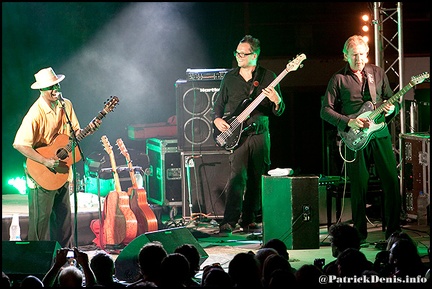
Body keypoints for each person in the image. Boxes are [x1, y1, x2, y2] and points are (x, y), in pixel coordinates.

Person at [320, 35, 401, 242]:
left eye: (363, 55)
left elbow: (393, 102)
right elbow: (325, 111)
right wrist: (348, 122)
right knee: (359, 186)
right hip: (354, 137)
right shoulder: (338, 79)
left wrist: (392, 108)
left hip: (379, 133)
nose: (360, 59)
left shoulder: (377, 73)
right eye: (355, 55)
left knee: (392, 181)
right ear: (345, 56)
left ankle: (393, 232)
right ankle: (359, 234)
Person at [13, 67, 101, 248]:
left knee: (64, 219)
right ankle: (37, 261)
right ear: (41, 90)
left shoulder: (66, 105)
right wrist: (45, 161)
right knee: (40, 223)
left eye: (56, 85)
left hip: (61, 171)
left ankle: (65, 257)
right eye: (50, 87)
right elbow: (19, 143)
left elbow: (74, 133)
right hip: (41, 172)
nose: (55, 90)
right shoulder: (35, 113)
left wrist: (89, 130)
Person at [212, 35, 285, 235]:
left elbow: (279, 110)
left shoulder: (268, 76)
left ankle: (249, 218)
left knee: (257, 177)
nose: (239, 57)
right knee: (237, 177)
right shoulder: (230, 78)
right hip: (238, 135)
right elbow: (218, 104)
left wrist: (277, 100)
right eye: (237, 53)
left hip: (260, 133)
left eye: (243, 54)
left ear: (255, 55)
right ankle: (229, 220)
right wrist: (217, 120)